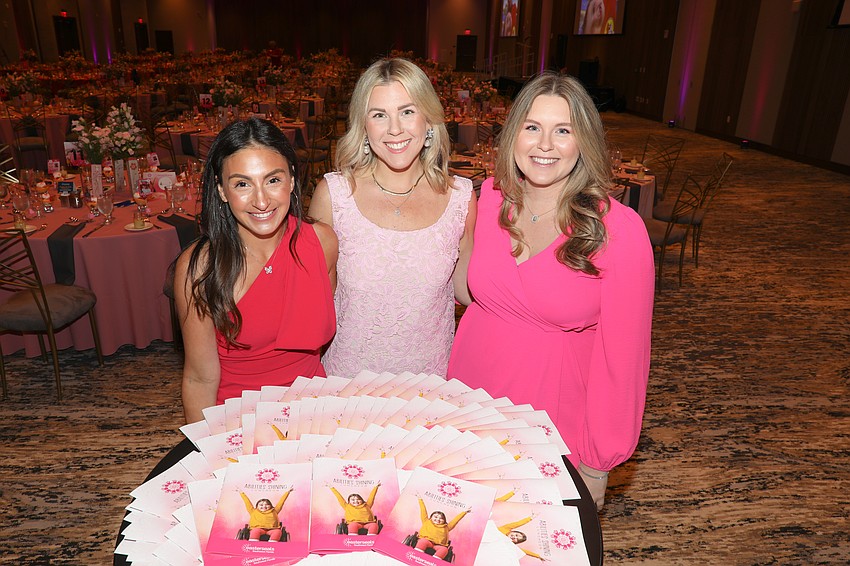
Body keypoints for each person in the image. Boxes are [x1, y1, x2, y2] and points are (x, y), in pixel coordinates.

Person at [447, 72, 654, 510]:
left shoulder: (617, 229)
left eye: (563, 131)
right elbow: (467, 288)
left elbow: (624, 359)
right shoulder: (488, 201)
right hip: (470, 397)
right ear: (513, 133)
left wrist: (599, 464)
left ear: (584, 143)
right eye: (532, 127)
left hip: (552, 413)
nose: (545, 144)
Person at [308, 58, 476, 378]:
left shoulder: (461, 199)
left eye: (408, 111)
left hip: (430, 385)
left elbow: (469, 291)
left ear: (429, 121)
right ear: (364, 125)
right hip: (347, 385)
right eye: (380, 115)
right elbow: (313, 303)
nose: (395, 128)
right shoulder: (334, 196)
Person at [176, 117, 338, 423]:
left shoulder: (323, 242)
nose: (261, 200)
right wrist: (209, 454)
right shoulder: (200, 268)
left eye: (273, 180)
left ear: (291, 180)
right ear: (222, 190)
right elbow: (199, 380)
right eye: (242, 184)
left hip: (315, 413)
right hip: (238, 424)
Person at [413, 495, 471, 559]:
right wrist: (420, 499)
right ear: (431, 517)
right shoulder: (426, 521)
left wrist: (464, 512)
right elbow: (423, 510)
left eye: (441, 518)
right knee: (423, 541)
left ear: (444, 520)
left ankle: (435, 561)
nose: (438, 519)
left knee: (444, 550)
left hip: (438, 546)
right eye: (435, 517)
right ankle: (417, 556)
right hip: (426, 541)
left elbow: (455, 520)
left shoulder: (446, 527)